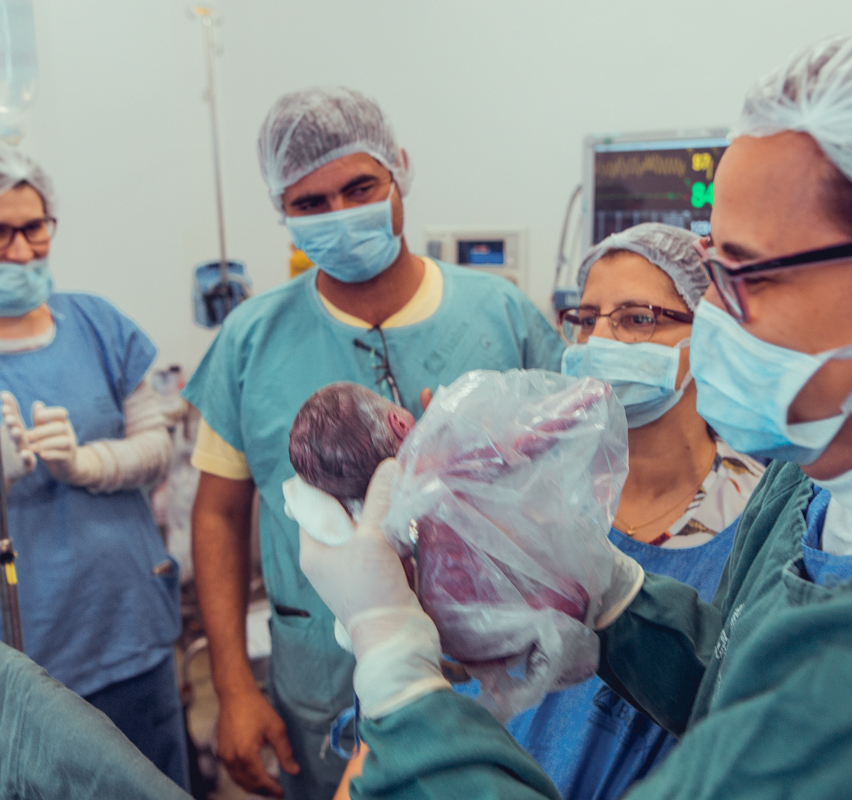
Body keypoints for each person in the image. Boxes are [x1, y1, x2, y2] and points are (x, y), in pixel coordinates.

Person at [298, 25, 852, 798]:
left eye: (750, 277)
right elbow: (737, 683)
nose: (712, 319)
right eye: (711, 267)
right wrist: (603, 591)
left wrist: (396, 669)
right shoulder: (826, 479)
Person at [182, 86, 565, 799]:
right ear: (282, 211)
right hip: (322, 682)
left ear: (401, 173)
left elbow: (568, 488)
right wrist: (234, 687)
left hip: (497, 669)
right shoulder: (250, 341)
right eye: (310, 203)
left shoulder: (502, 316)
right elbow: (218, 514)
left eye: (360, 188)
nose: (340, 215)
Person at [334, 223, 765, 800]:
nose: (599, 340)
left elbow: (743, 708)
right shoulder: (519, 485)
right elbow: (412, 697)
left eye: (638, 318)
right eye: (585, 319)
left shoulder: (759, 516)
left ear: (710, 332)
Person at [0, 144, 188, 788]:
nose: (22, 252)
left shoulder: (100, 325)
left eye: (35, 228)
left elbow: (155, 445)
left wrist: (86, 462)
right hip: (4, 657)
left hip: (125, 631)